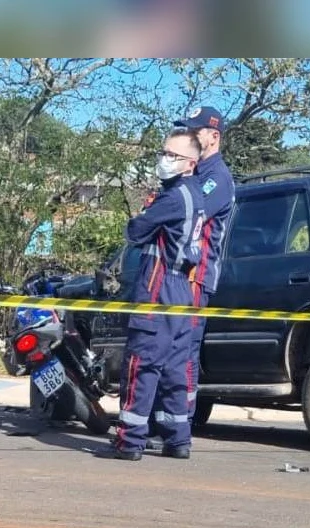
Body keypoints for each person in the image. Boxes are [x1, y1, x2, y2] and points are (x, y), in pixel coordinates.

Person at [99, 131, 206, 461]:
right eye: (163, 152)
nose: (164, 159)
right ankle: (178, 438)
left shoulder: (172, 198)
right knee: (176, 369)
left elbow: (135, 231)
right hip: (181, 293)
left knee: (141, 367)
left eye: (171, 154)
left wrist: (145, 212)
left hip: (158, 290)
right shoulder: (196, 195)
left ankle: (130, 440)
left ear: (190, 163)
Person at [171, 106, 235, 429]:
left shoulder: (216, 178)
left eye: (194, 132)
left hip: (196, 278)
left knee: (184, 352)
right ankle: (167, 423)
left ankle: (181, 425)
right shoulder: (195, 175)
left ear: (213, 136)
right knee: (170, 349)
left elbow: (189, 212)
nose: (189, 138)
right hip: (177, 277)